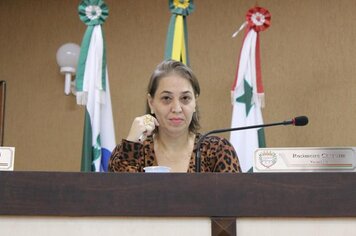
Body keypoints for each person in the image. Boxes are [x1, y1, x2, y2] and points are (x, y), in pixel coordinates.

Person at [109, 60, 241, 173]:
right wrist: (131, 144)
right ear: (151, 103)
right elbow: (115, 197)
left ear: (195, 102)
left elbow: (236, 200)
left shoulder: (217, 150)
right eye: (166, 98)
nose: (177, 109)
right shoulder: (133, 152)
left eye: (185, 98)